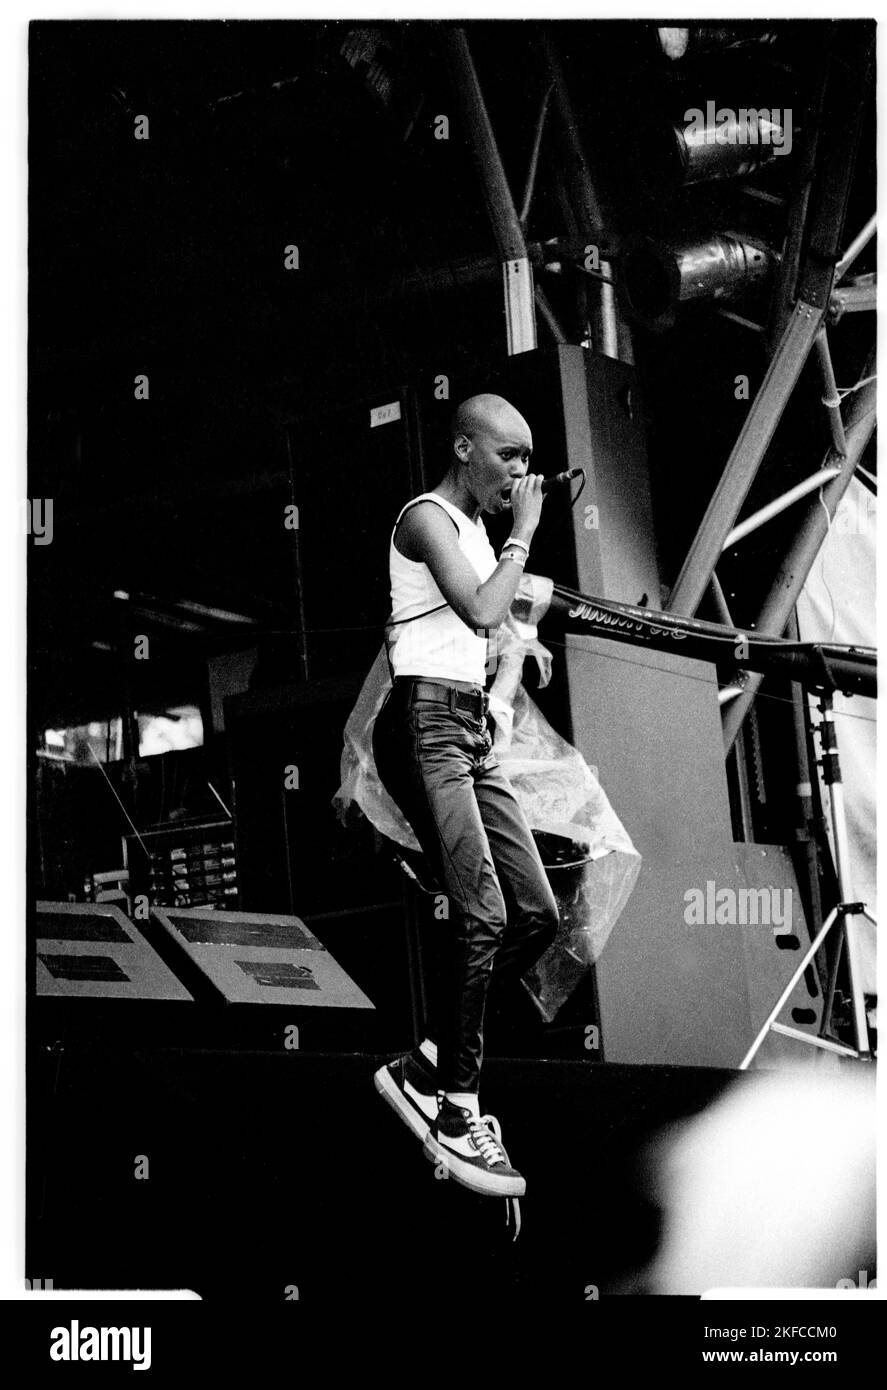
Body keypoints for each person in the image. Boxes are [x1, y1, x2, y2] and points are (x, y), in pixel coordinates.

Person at [372, 393, 559, 1198]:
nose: (519, 474)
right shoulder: (425, 519)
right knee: (482, 910)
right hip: (423, 726)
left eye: (526, 461)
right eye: (508, 457)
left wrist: (526, 652)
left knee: (536, 914)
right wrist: (524, 533)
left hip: (469, 729)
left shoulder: (482, 534)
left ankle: (425, 1064)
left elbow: (504, 625)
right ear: (464, 450)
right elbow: (482, 606)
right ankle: (454, 1107)